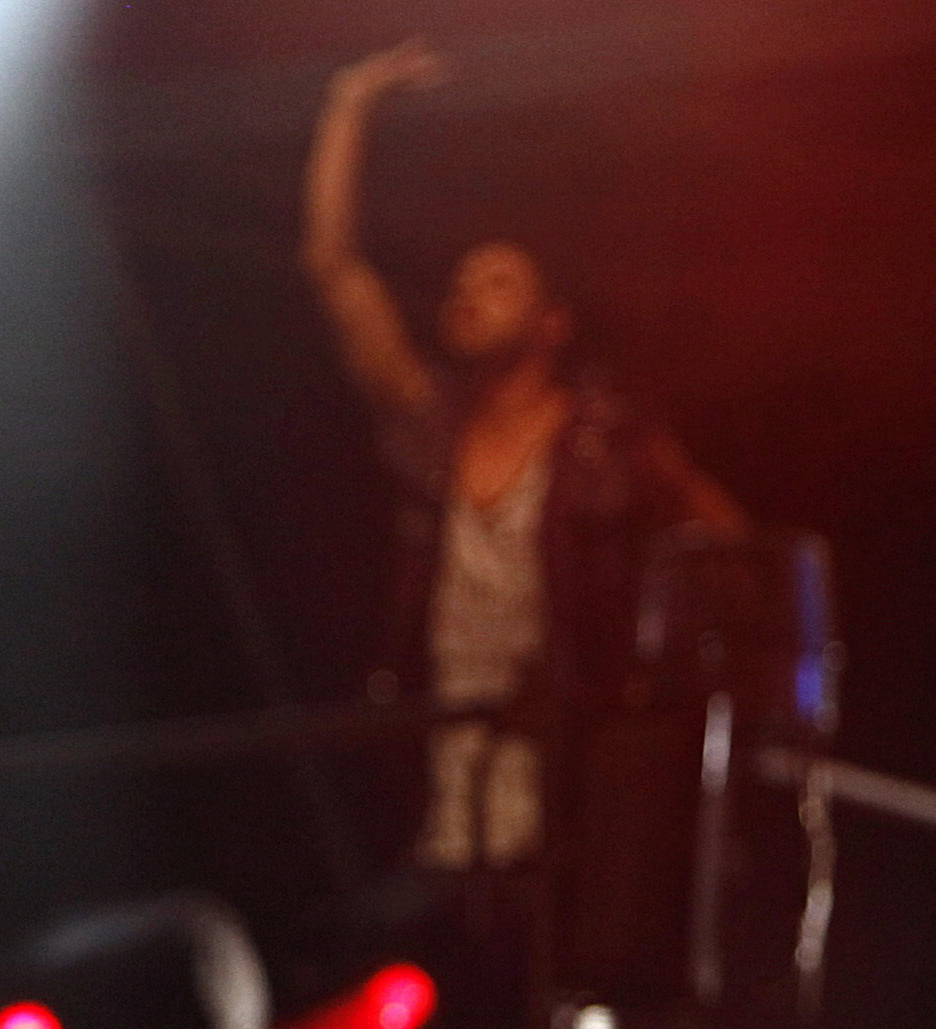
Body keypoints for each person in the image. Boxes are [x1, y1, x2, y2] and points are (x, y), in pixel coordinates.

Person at [302, 37, 746, 876]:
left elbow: (731, 549)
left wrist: (633, 681)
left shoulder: (606, 439)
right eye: (463, 282)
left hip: (576, 783)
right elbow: (335, 268)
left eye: (498, 282)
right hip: (444, 763)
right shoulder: (434, 427)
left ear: (551, 324)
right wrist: (348, 105)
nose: (468, 293)